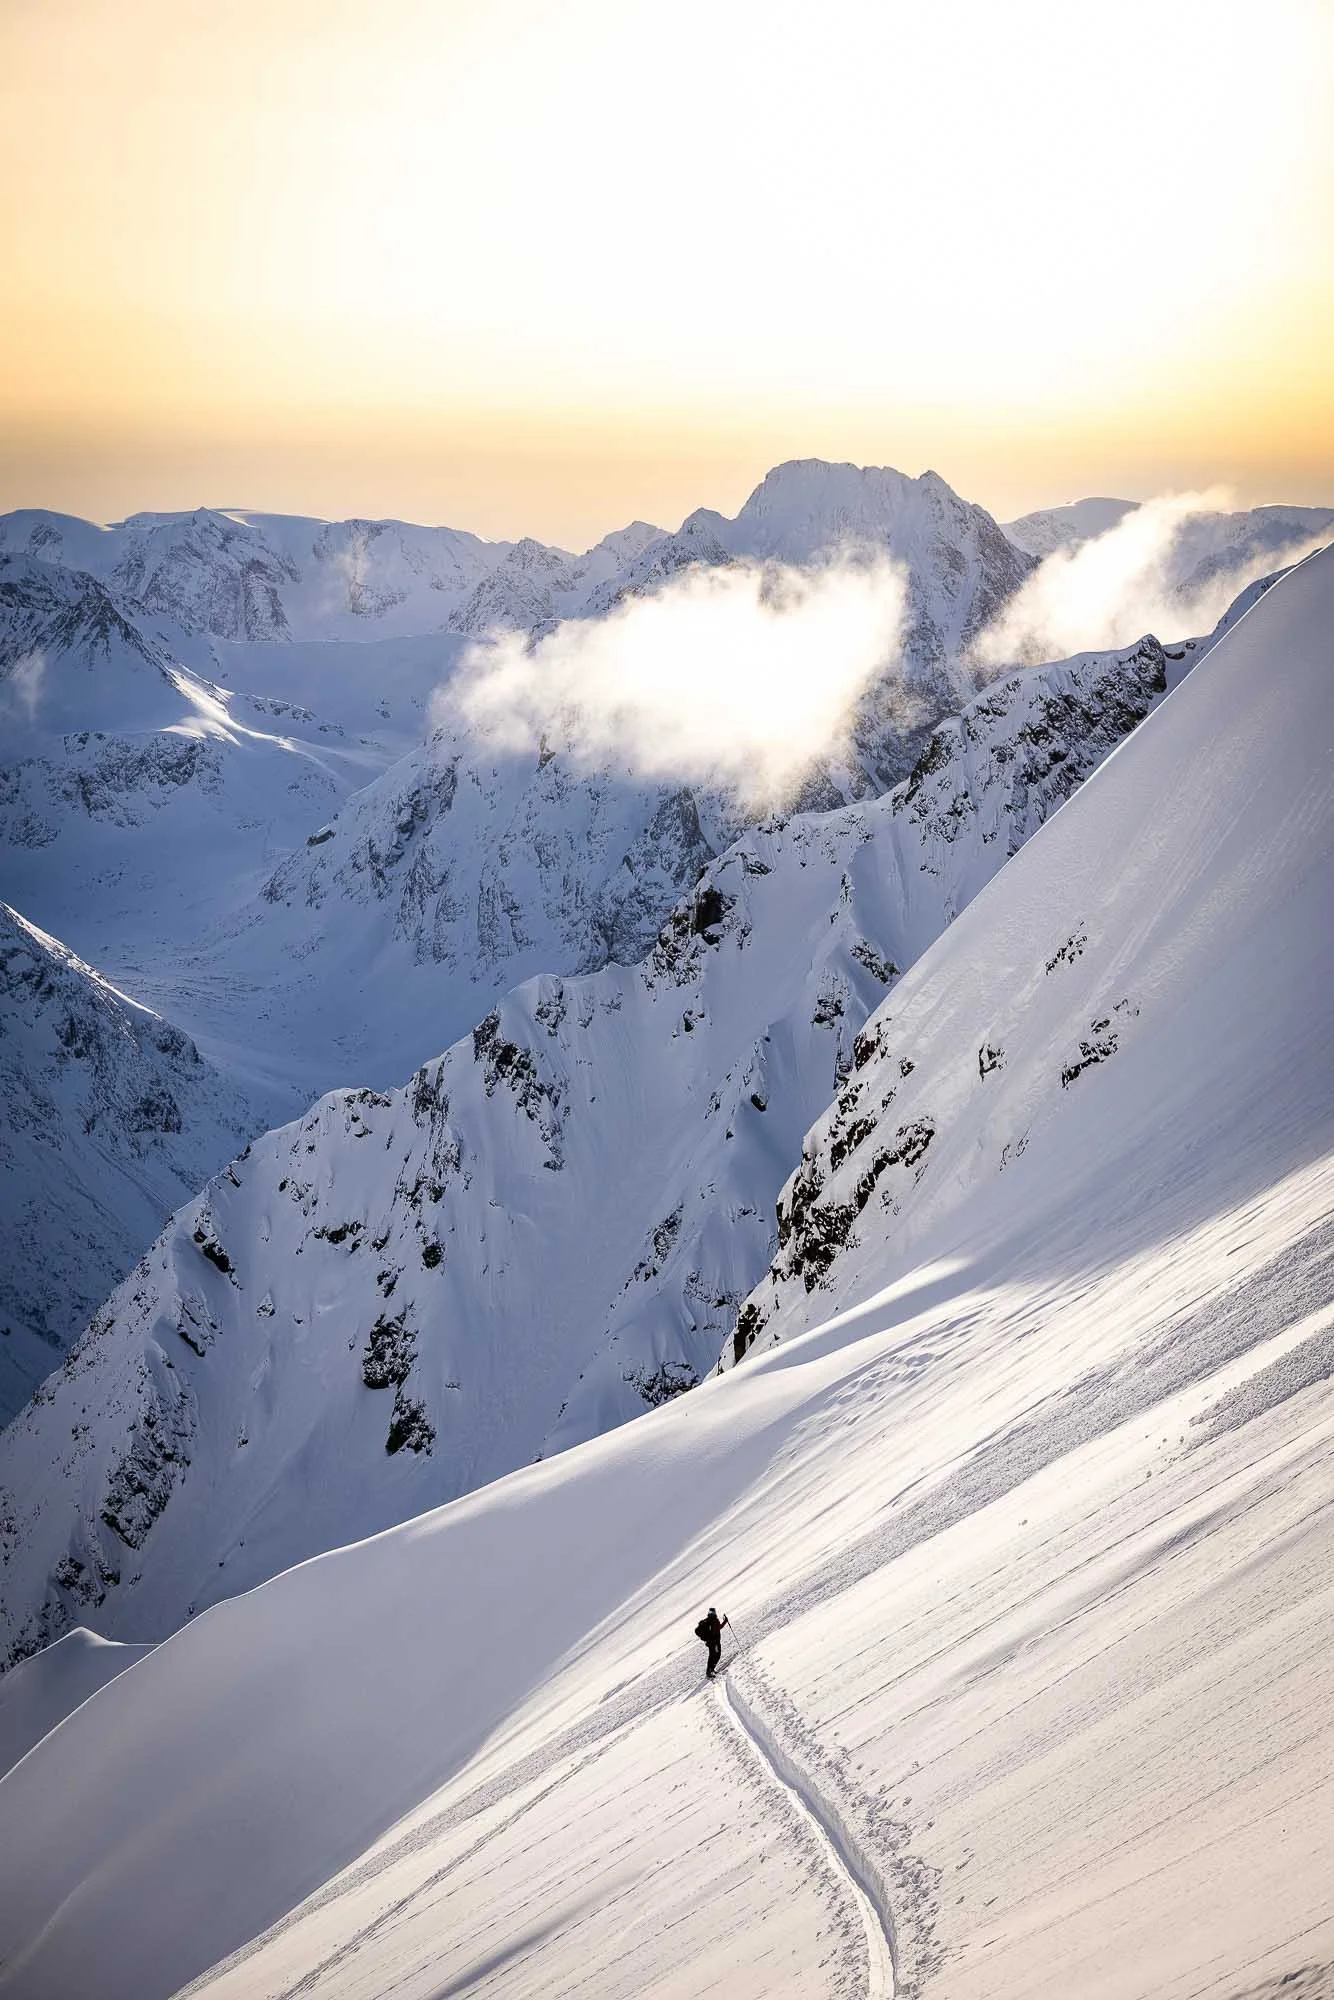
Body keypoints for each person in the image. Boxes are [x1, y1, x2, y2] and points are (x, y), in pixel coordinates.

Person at [694, 1606, 729, 1677]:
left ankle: (710, 1670)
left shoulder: (708, 1620)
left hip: (710, 1642)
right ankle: (710, 1670)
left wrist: (725, 1621)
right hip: (715, 1642)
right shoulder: (713, 1621)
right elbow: (718, 1628)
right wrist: (725, 1621)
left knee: (712, 1656)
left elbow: (718, 1628)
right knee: (717, 1655)